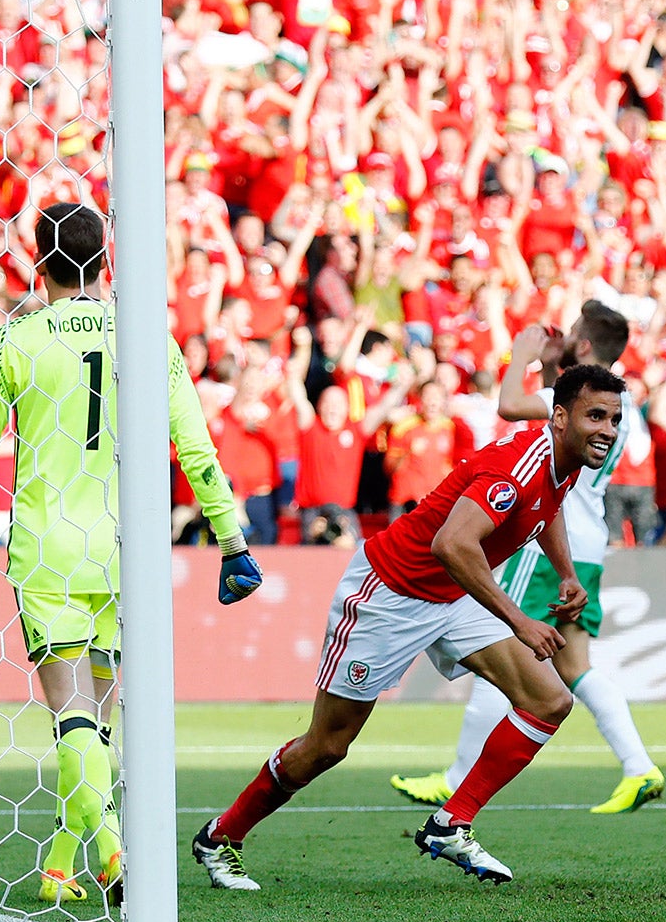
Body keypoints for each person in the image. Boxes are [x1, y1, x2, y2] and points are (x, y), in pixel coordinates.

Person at [0, 204, 263, 905]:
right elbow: (195, 448)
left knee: (72, 718)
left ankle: (115, 862)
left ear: (38, 267)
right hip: (125, 552)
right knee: (97, 720)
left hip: (47, 552)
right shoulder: (148, 338)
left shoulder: (15, 339)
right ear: (106, 264)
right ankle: (70, 861)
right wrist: (232, 540)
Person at [196, 364, 626, 889]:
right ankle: (220, 837)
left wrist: (565, 572)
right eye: (596, 416)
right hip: (389, 593)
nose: (607, 428)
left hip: (452, 593)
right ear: (560, 418)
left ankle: (451, 823)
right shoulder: (518, 467)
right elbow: (452, 544)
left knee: (549, 701)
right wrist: (520, 621)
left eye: (615, 418)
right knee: (328, 746)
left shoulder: (564, 462)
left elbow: (547, 508)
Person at [391, 304, 663, 816]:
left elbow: (512, 404)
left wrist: (523, 356)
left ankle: (455, 780)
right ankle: (638, 765)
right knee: (576, 667)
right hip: (589, 547)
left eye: (574, 333)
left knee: (503, 647)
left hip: (545, 536)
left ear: (583, 347)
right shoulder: (619, 406)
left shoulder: (579, 403)